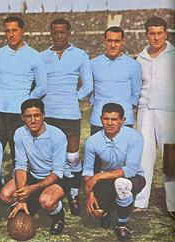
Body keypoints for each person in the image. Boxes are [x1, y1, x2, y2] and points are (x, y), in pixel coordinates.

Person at [40, 18, 93, 216]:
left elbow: (87, 85)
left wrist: (74, 98)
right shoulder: (42, 56)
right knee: (53, 158)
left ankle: (73, 193)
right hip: (49, 113)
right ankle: (53, 192)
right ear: (51, 33)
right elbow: (37, 83)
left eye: (62, 32)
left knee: (72, 157)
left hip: (70, 112)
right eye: (55, 32)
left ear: (69, 32)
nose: (59, 36)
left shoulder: (80, 55)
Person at [0, 99, 67, 235]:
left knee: (46, 201)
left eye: (36, 115)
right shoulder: (19, 133)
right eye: (28, 116)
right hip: (33, 175)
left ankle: (59, 217)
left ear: (43, 115)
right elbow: (20, 165)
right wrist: (22, 199)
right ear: (22, 117)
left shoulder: (57, 135)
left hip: (55, 177)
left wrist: (32, 189)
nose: (33, 120)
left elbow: (57, 172)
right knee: (6, 195)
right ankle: (24, 208)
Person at [0, 16, 47, 163]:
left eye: (14, 30)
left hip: (18, 114)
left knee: (19, 155)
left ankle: (20, 183)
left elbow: (42, 86)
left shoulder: (34, 55)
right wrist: (3, 97)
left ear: (22, 31)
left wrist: (25, 101)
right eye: (7, 31)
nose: (11, 34)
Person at [83, 103, 145, 241]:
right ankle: (108, 210)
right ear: (100, 119)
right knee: (97, 213)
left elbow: (131, 169)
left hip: (133, 178)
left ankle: (122, 223)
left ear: (122, 121)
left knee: (122, 185)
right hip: (106, 181)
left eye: (114, 119)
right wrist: (90, 194)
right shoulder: (92, 141)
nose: (109, 123)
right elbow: (87, 170)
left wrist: (98, 176)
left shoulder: (135, 136)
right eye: (106, 119)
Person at [134, 17, 175, 219]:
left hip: (169, 112)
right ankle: (141, 201)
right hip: (145, 111)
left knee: (171, 157)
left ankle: (173, 205)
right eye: (152, 33)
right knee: (144, 155)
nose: (156, 37)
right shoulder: (140, 58)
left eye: (160, 33)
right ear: (146, 35)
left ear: (166, 33)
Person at [90, 26, 142, 135]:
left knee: (122, 151)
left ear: (123, 42)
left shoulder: (134, 65)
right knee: (99, 151)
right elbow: (90, 90)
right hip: (99, 120)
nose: (113, 45)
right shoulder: (93, 64)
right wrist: (97, 105)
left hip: (124, 120)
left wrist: (125, 107)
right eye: (109, 41)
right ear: (104, 41)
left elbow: (136, 93)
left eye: (117, 41)